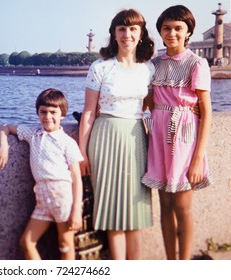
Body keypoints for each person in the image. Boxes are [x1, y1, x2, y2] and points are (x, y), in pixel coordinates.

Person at [78, 9, 155, 260]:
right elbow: (89, 112)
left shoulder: (149, 70)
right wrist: (81, 153)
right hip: (105, 139)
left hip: (136, 139)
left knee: (135, 212)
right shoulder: (100, 67)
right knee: (112, 213)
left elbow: (151, 107)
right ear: (114, 34)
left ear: (141, 34)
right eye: (121, 29)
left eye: (133, 29)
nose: (127, 34)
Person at [141, 5, 213, 260]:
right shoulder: (154, 63)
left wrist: (197, 158)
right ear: (160, 32)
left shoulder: (196, 63)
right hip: (159, 137)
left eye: (178, 28)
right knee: (165, 206)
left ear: (188, 32)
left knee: (183, 208)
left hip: (184, 138)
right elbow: (146, 102)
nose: (172, 33)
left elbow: (206, 113)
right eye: (167, 28)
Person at [0, 88, 83, 260]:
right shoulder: (33, 134)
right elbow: (4, 127)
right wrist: (4, 146)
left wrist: (76, 210)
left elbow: (77, 178)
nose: (48, 117)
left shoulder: (67, 143)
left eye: (53, 112)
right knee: (27, 242)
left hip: (62, 197)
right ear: (37, 113)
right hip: (42, 199)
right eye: (43, 112)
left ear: (62, 114)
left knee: (65, 243)